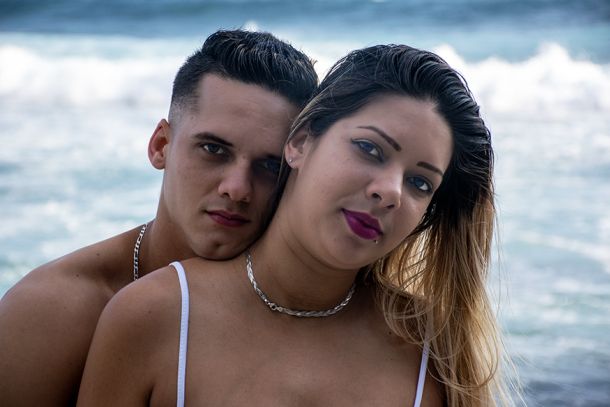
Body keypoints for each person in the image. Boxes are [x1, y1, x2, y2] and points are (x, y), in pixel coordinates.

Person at [77, 43, 514, 407]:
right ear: (301, 141)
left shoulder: (431, 352)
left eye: (420, 182)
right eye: (370, 149)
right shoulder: (156, 315)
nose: (390, 192)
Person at [0, 29, 317, 406]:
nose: (237, 188)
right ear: (160, 146)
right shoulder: (54, 309)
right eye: (213, 149)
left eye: (269, 166)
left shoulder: (315, 314)